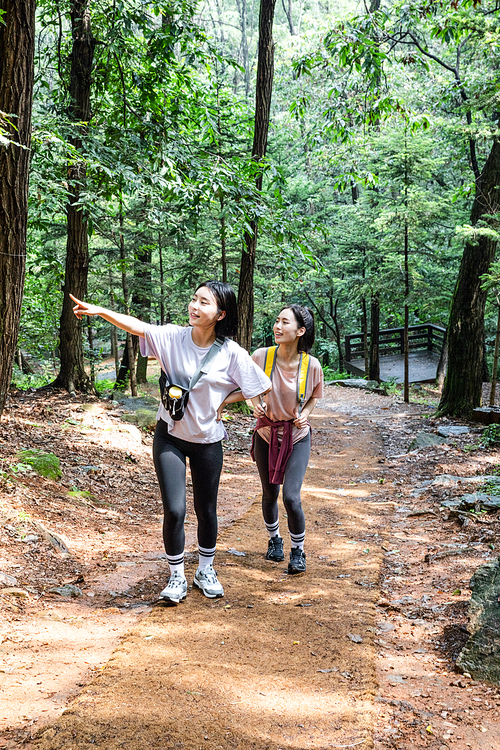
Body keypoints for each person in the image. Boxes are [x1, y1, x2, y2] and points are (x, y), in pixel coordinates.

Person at [70, 282, 271, 604]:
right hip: (170, 437)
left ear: (220, 314)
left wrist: (223, 402)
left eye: (203, 302)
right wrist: (101, 311)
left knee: (206, 510)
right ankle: (176, 575)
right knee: (175, 510)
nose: (194, 306)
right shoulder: (173, 337)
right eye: (194, 299)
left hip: (207, 441)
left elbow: (261, 386)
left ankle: (206, 570)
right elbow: (137, 326)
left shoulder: (232, 353)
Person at [218, 305, 324, 574]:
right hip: (266, 434)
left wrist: (305, 414)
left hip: (297, 436)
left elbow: (314, 397)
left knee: (291, 497)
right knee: (269, 492)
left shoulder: (311, 365)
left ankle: (297, 550)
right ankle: (274, 540)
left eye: (284, 322)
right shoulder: (261, 356)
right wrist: (254, 403)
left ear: (300, 331)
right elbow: (247, 386)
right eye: (277, 320)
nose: (277, 326)